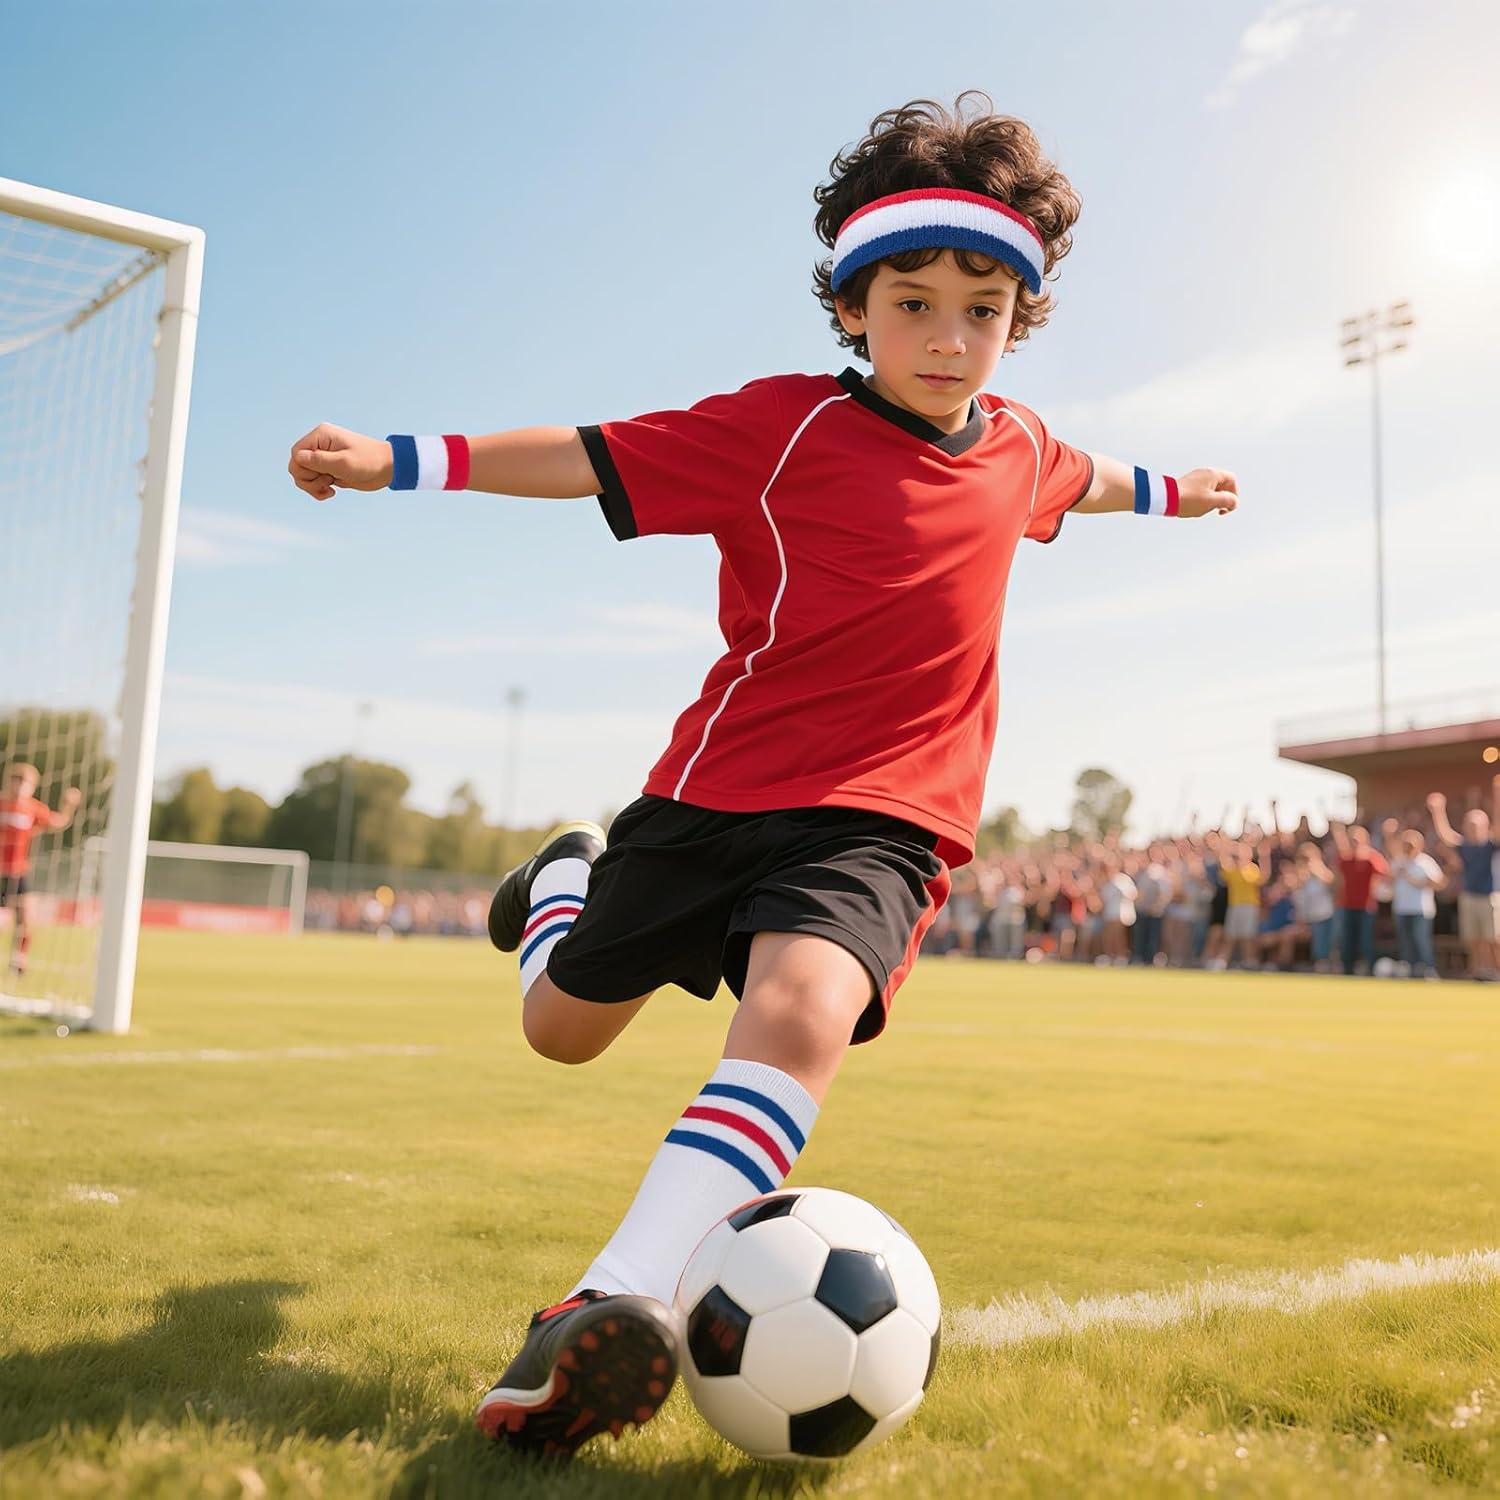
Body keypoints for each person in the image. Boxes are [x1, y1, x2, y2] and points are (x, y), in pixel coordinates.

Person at [286, 93, 1239, 1458]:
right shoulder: (780, 429)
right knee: (561, 1028)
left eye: (983, 310)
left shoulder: (1021, 445)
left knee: (800, 1010)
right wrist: (398, 461)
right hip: (712, 797)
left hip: (886, 820)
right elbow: (589, 455)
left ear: (1016, 322)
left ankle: (605, 1300)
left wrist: (1177, 491)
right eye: (914, 302)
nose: (949, 336)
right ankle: (560, 890)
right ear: (855, 308)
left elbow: (1091, 481)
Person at [0, 763, 81, 976]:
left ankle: (19, 962)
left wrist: (68, 804)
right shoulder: (1, 804)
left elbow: (59, 821)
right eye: (14, 780)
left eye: (23, 782)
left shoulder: (32, 809)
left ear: (32, 786)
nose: (18, 786)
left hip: (18, 872)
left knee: (25, 920)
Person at [1428, 781, 1500, 981]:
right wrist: (1437, 811)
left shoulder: (1491, 845)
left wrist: (1496, 796)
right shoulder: (1464, 846)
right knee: (1474, 939)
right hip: (1469, 896)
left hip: (1489, 896)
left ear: (1485, 826)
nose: (1472, 828)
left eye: (1476, 825)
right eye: (1469, 824)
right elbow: (1446, 835)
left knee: (1493, 939)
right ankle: (1478, 970)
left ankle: (1496, 970)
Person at [1382, 821, 1446, 979]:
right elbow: (1387, 882)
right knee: (1405, 942)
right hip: (1401, 909)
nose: (1408, 847)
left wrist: (1419, 882)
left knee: (1421, 941)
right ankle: (1408, 971)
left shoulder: (1426, 862)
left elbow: (1440, 883)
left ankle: (1428, 969)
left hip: (1420, 910)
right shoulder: (1398, 862)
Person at [1330, 819, 1388, 976]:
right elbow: (1337, 880)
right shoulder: (1344, 859)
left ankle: (1370, 969)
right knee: (1347, 940)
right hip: (1347, 905)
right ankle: (1347, 969)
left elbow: (1385, 875)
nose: (1354, 844)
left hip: (1366, 907)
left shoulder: (1372, 859)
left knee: (1366, 940)